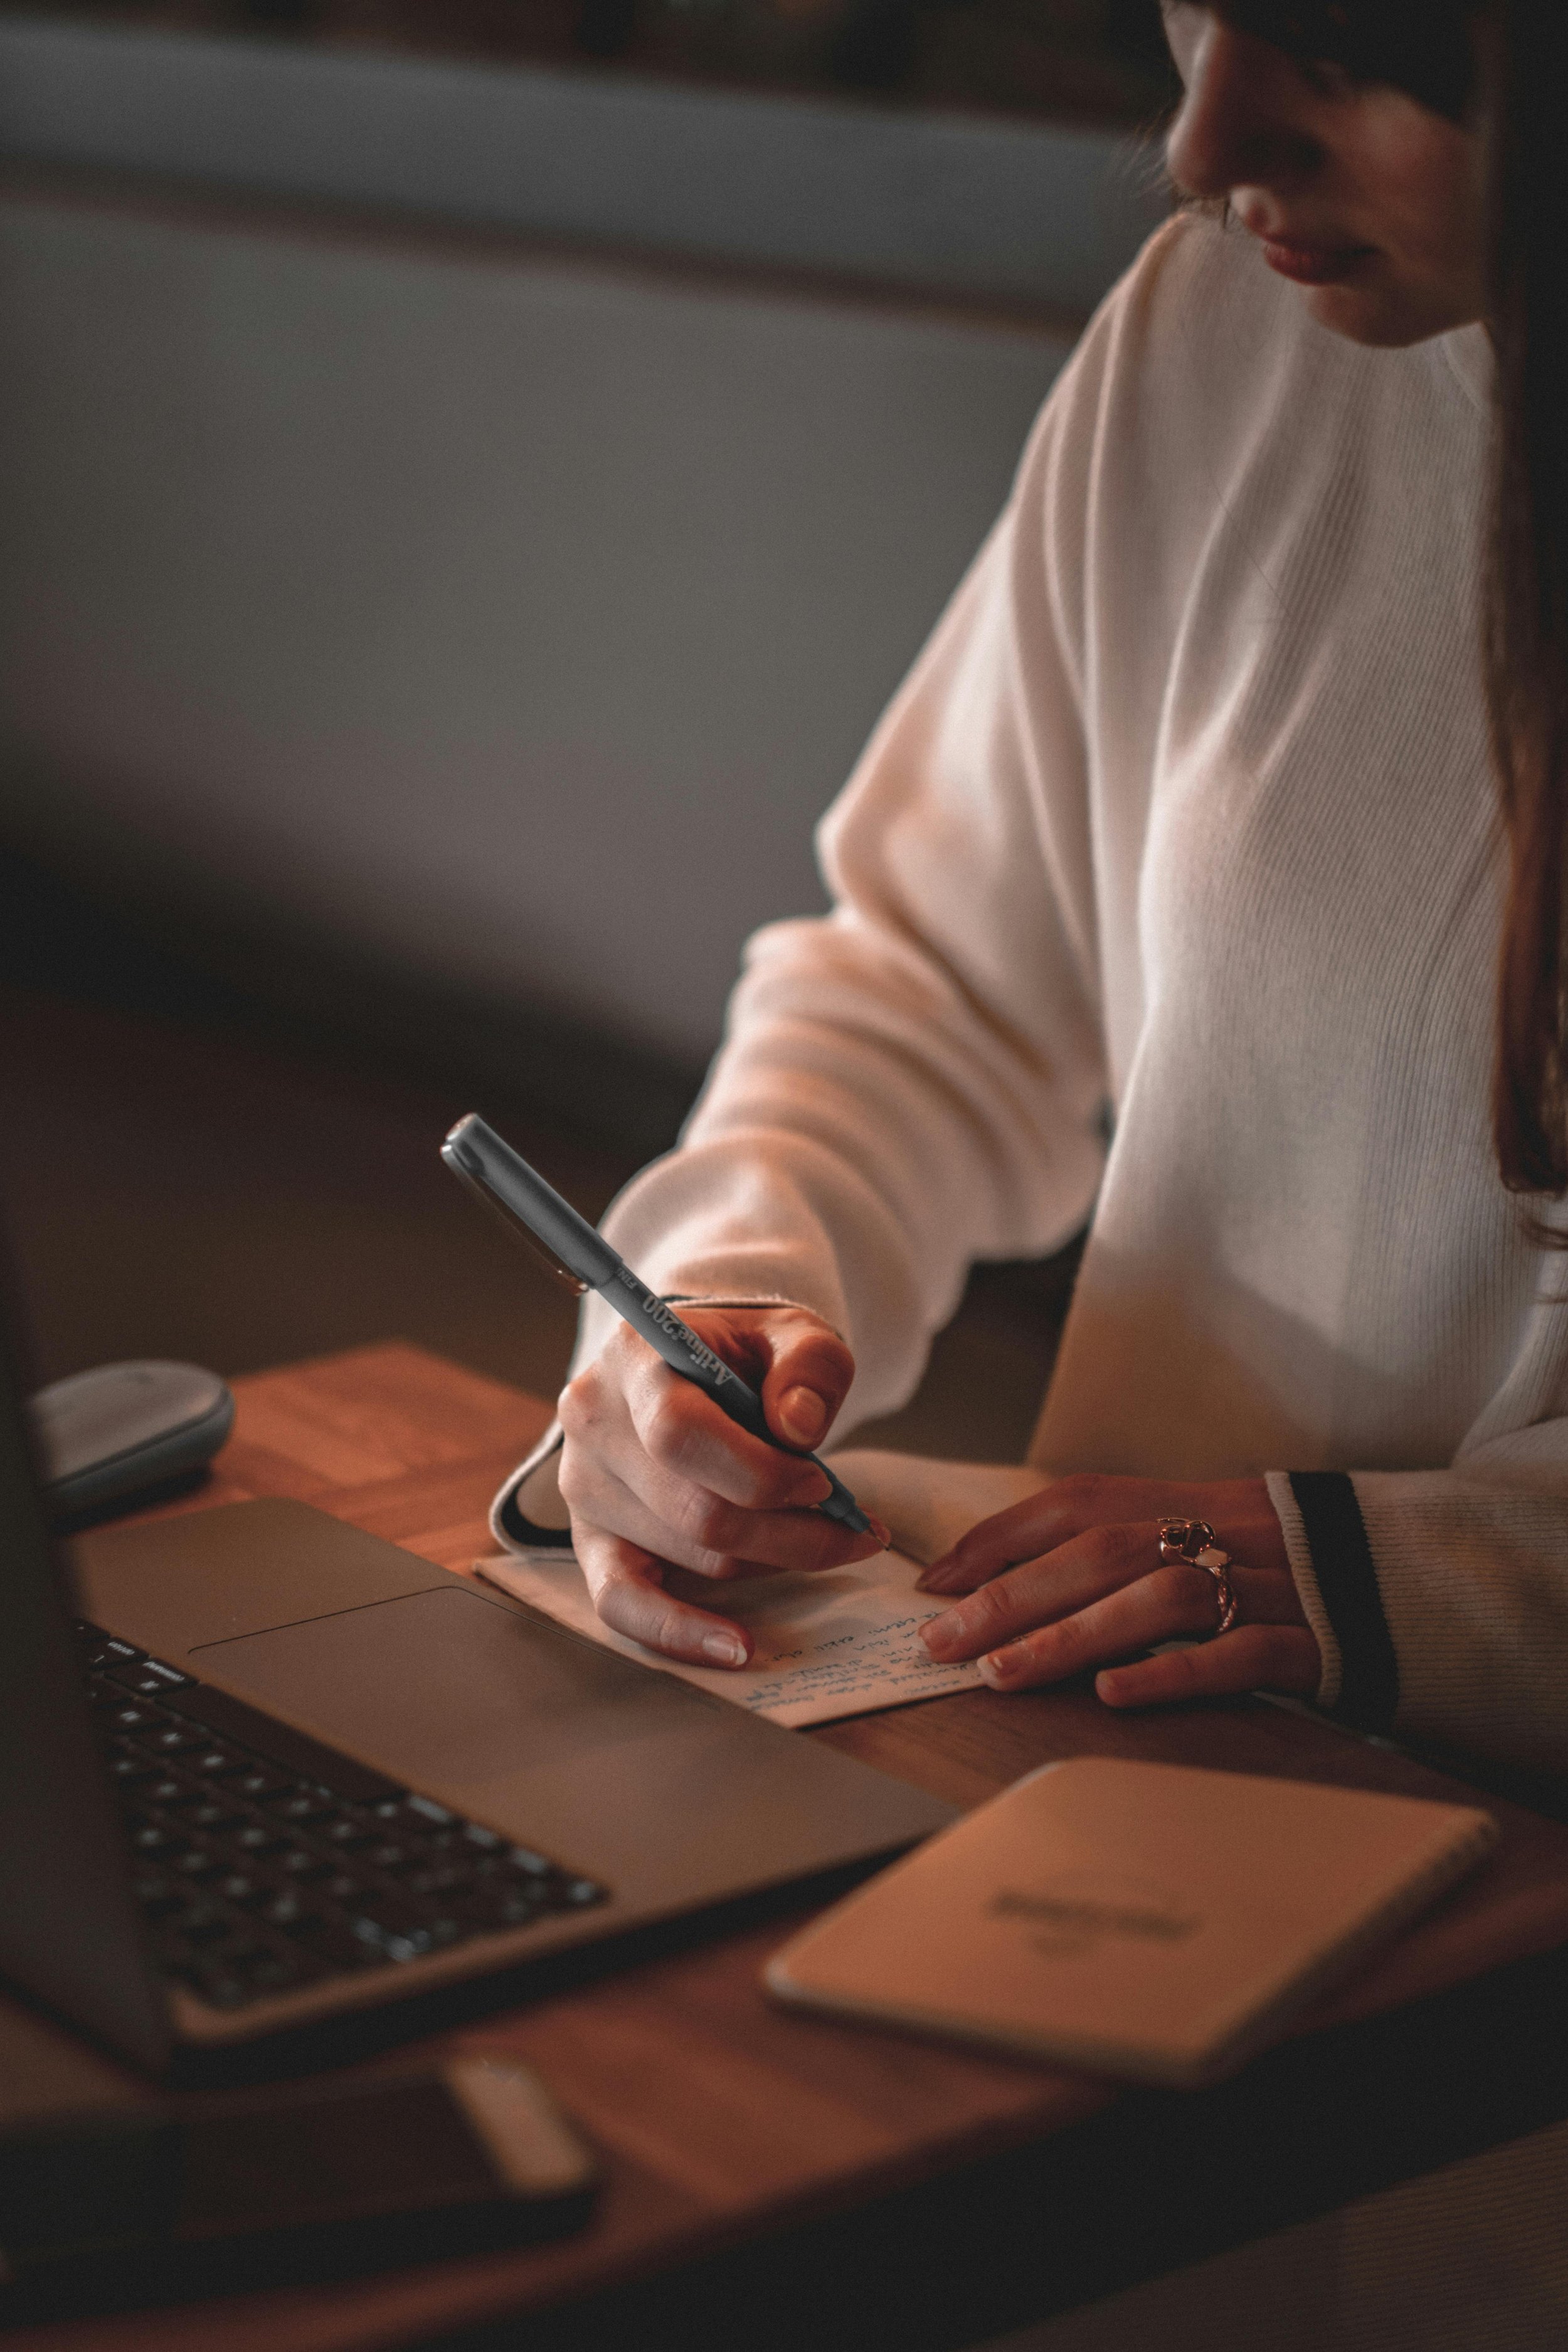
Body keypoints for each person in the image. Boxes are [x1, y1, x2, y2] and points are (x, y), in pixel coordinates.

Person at [512, 0, 1568, 1776]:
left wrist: (1400, 1581)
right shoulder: (1224, 336)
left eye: (1343, 48)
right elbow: (932, 985)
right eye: (1191, 10)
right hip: (1127, 1772)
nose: (1207, 140)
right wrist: (709, 1303)